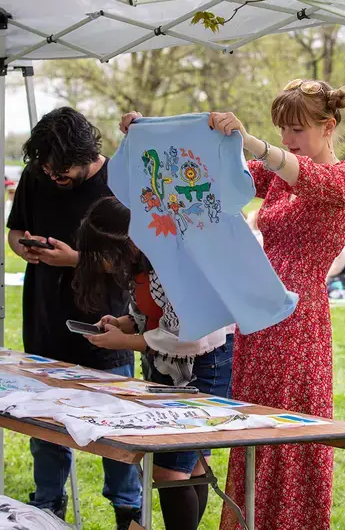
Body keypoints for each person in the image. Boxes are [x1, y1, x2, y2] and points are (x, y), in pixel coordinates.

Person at [124, 78, 345, 530]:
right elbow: (210, 172)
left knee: (286, 434)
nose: (287, 139)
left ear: (328, 126)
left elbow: (304, 176)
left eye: (296, 130)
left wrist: (252, 141)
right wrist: (150, 136)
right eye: (282, 129)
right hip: (255, 312)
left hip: (298, 320)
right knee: (251, 434)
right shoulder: (277, 171)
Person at [6, 107, 142, 529]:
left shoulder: (119, 182)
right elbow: (15, 232)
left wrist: (74, 259)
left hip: (107, 325)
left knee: (113, 428)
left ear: (88, 155)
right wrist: (24, 248)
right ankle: (47, 511)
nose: (52, 176)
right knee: (44, 428)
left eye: (62, 170)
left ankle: (127, 512)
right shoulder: (35, 176)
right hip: (45, 320)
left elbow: (133, 261)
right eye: (46, 168)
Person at [73, 195, 234, 530]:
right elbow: (152, 313)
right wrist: (125, 323)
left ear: (123, 241)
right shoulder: (141, 260)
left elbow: (189, 333)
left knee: (169, 469)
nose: (103, 263)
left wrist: (128, 341)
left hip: (202, 364)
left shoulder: (169, 261)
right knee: (190, 466)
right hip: (171, 365)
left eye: (102, 253)